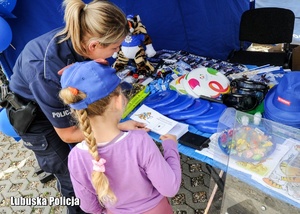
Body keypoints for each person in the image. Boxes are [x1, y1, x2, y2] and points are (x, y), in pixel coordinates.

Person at [7, 0, 146, 213]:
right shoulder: (47, 71)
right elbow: (68, 134)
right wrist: (117, 127)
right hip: (35, 119)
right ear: (93, 46)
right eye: (115, 48)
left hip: (53, 101)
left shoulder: (83, 35)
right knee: (73, 179)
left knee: (88, 163)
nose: (117, 53)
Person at [59, 60, 182, 214]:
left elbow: (89, 206)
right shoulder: (139, 141)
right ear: (118, 101)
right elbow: (170, 187)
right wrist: (170, 147)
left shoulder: (76, 156)